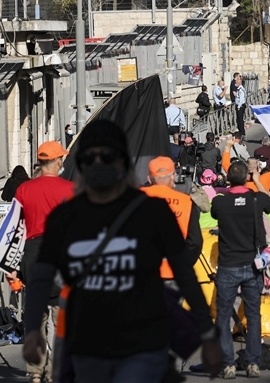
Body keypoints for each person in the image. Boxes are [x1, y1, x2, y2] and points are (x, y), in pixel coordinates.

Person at [22, 120, 221, 382]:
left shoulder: (64, 215)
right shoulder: (151, 209)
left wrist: (33, 329)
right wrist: (207, 333)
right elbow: (184, 273)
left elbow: (41, 278)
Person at [210, 158, 270, 378]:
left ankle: (227, 363)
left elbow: (214, 213)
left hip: (228, 265)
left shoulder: (220, 203)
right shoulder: (257, 199)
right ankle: (253, 363)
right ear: (246, 177)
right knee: (253, 315)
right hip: (252, 264)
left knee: (223, 315)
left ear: (228, 179)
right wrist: (256, 180)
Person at [15, 142, 74, 383]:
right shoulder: (70, 189)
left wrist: (12, 267)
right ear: (59, 161)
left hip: (32, 253)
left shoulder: (24, 189)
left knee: (35, 316)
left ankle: (35, 371)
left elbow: (14, 230)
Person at [141, 157, 202, 279]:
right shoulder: (186, 202)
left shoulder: (133, 200)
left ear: (149, 179)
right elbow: (195, 243)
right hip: (173, 272)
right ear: (173, 176)